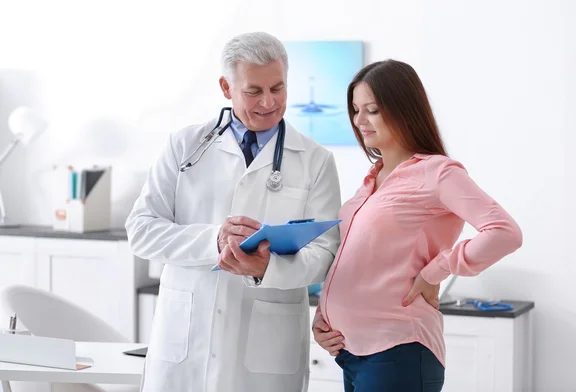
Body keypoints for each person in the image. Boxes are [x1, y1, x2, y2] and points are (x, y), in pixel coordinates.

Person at [125, 32, 341, 392]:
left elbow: (323, 254)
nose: (268, 102)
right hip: (186, 343)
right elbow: (142, 230)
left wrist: (267, 267)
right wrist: (214, 239)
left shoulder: (316, 160)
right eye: (253, 91)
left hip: (267, 351)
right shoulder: (185, 145)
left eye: (278, 88)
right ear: (226, 87)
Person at [312, 60, 523, 392]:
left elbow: (504, 232)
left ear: (404, 110)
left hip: (398, 351)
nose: (359, 121)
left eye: (373, 110)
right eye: (355, 110)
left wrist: (435, 270)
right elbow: (354, 259)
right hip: (352, 351)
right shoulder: (371, 180)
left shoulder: (438, 173)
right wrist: (325, 312)